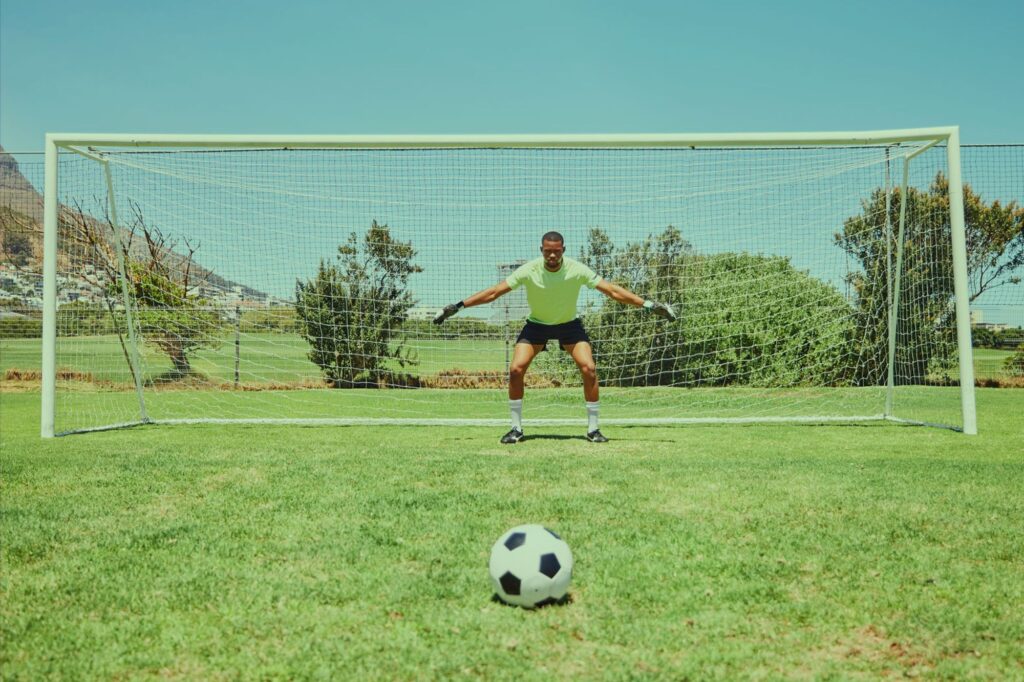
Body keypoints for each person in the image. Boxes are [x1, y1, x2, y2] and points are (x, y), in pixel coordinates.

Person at [433, 231, 676, 444]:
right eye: (548, 251)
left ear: (563, 251)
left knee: (589, 368)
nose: (552, 256)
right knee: (516, 370)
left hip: (569, 326)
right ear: (541, 250)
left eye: (556, 252)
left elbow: (611, 290)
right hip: (536, 326)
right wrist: (459, 306)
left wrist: (648, 304)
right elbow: (495, 292)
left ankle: (593, 429)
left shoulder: (576, 269)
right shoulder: (529, 270)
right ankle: (516, 429)